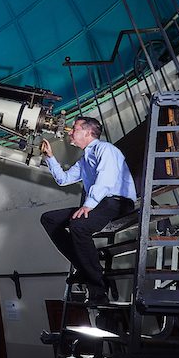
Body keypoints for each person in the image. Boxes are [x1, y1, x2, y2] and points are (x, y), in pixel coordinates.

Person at [40, 116, 137, 304]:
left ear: (87, 132)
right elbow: (64, 179)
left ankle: (98, 289)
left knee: (79, 226)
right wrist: (50, 158)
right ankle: (84, 269)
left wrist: (88, 204)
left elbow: (106, 179)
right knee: (49, 219)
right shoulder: (85, 159)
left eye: (74, 128)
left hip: (117, 201)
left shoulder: (106, 149)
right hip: (99, 203)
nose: (70, 131)